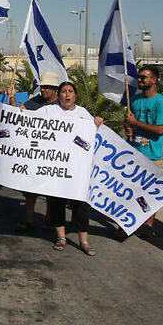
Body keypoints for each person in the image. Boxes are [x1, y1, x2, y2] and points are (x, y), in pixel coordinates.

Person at [45, 81, 104, 255]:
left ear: (75, 95)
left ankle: (83, 240)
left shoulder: (83, 114)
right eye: (63, 91)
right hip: (56, 167)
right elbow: (26, 121)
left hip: (78, 169)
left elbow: (93, 135)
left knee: (80, 204)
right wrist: (12, 102)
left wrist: (97, 122)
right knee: (56, 202)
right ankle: (61, 237)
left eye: (70, 91)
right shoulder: (49, 110)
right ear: (59, 95)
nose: (67, 95)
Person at [7, 71, 61, 232]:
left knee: (51, 192)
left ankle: (49, 221)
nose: (43, 90)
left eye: (47, 88)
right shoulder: (35, 101)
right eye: (42, 87)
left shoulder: (61, 106)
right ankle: (29, 221)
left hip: (53, 157)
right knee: (30, 192)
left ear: (55, 89)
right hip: (34, 156)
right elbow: (17, 115)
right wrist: (12, 98)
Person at [124, 65, 163, 239]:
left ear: (154, 80)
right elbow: (128, 123)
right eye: (139, 77)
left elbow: (160, 130)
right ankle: (131, 220)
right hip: (134, 153)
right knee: (132, 190)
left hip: (151, 156)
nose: (140, 80)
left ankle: (148, 223)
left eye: (144, 77)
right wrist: (128, 127)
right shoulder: (135, 100)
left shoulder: (161, 103)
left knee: (148, 193)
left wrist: (135, 123)